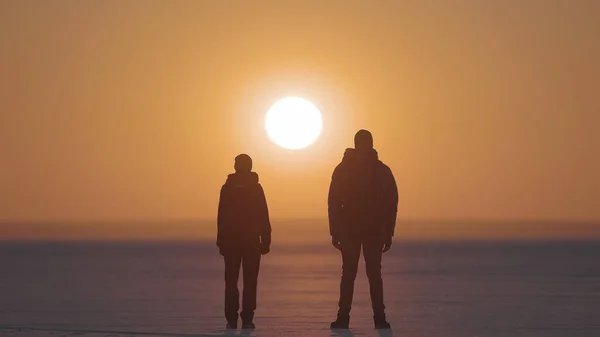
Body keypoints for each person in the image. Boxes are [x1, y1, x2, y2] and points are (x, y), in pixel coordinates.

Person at [328, 130, 399, 330]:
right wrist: (388, 231)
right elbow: (391, 203)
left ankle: (353, 318)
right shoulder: (378, 170)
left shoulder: (353, 169)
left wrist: (335, 230)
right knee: (366, 275)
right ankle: (374, 319)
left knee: (358, 275)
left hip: (364, 230)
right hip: (361, 230)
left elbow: (333, 202)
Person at [217, 154, 271, 330]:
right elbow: (264, 214)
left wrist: (221, 240)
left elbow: (221, 216)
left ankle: (231, 319)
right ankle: (247, 319)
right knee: (250, 282)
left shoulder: (227, 187)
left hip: (232, 241)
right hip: (251, 241)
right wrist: (266, 238)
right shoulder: (255, 188)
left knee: (231, 282)